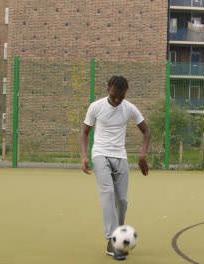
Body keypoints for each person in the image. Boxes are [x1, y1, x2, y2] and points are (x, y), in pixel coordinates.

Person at [80, 75, 151, 261]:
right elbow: (85, 132)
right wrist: (84, 155)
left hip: (120, 155)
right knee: (107, 192)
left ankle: (118, 236)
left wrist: (143, 154)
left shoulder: (129, 108)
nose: (117, 100)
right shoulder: (96, 107)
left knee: (122, 200)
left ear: (125, 92)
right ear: (107, 90)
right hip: (100, 153)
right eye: (113, 96)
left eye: (121, 96)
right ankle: (112, 240)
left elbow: (146, 131)